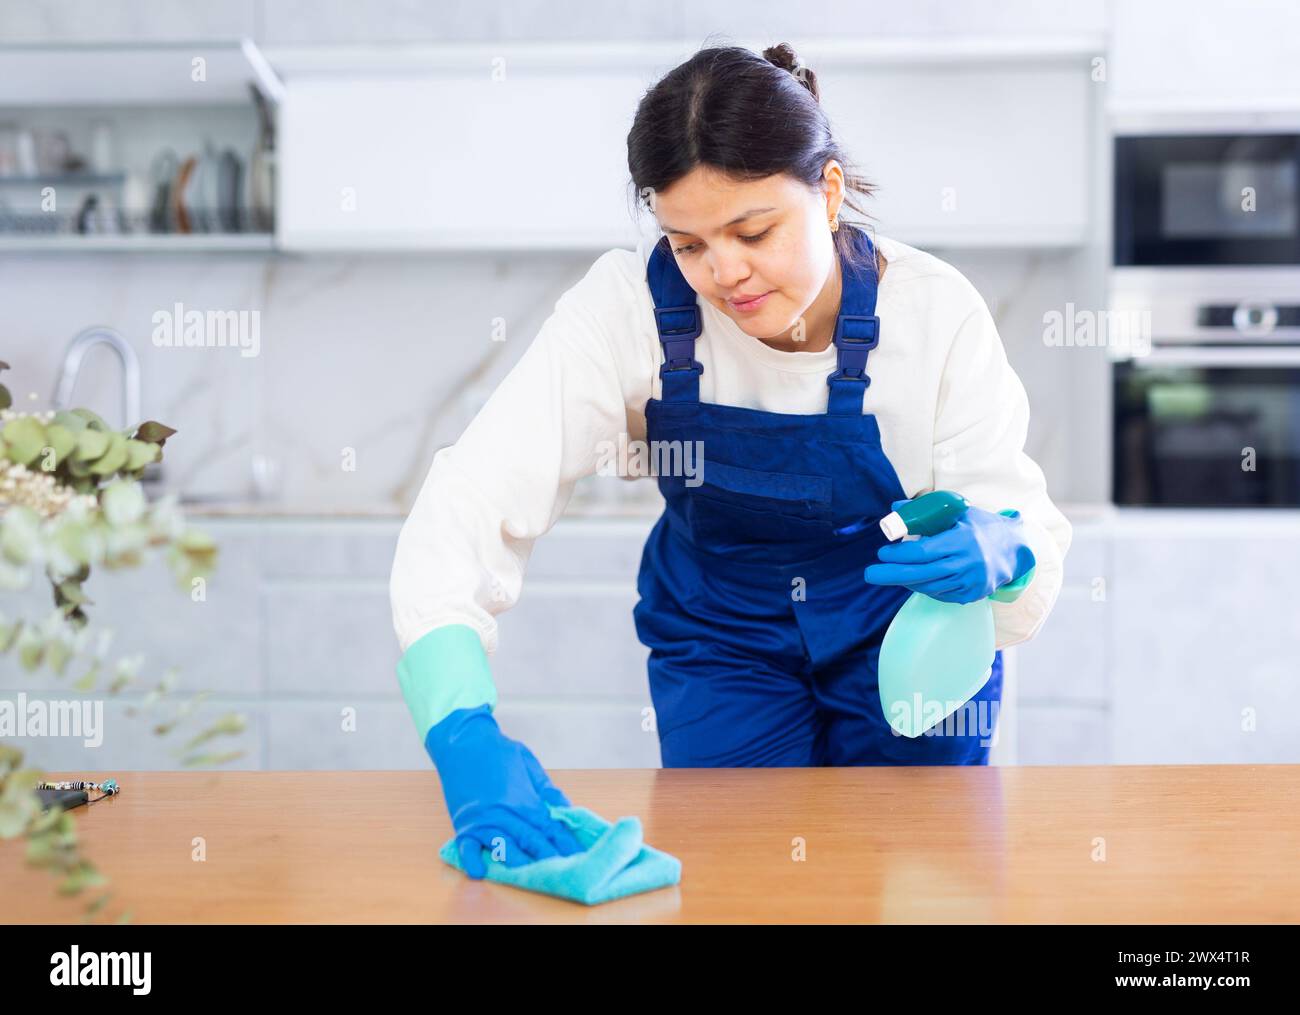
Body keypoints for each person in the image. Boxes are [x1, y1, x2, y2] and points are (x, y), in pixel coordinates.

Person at [390, 42, 1073, 876]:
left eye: (753, 231)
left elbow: (1013, 514)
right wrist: (461, 728)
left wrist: (1004, 546)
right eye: (687, 244)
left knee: (914, 878)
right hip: (722, 642)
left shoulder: (934, 314)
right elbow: (473, 493)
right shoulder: (627, 309)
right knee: (744, 878)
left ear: (826, 192)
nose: (725, 274)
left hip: (908, 639)